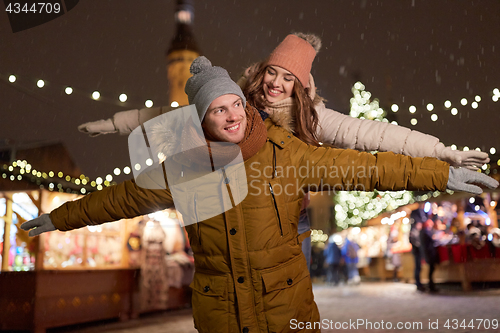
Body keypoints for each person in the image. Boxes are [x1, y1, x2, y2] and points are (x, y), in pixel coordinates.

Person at [24, 56, 498, 333]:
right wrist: (60, 216)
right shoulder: (183, 167)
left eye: (235, 103)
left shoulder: (285, 151)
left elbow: (365, 165)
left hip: (287, 306)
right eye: (216, 110)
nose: (231, 116)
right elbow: (121, 199)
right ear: (200, 120)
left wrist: (437, 173)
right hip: (221, 310)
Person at [78, 33, 490, 270]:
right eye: (272, 72)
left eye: (288, 78)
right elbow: (175, 117)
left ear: (301, 85)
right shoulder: (236, 101)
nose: (276, 83)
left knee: (281, 282)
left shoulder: (315, 119)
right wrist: (117, 123)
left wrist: (443, 152)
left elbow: (376, 135)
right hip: (230, 202)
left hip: (285, 209)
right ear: (263, 71)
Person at [409, 206, 427, 292]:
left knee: (418, 267)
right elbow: (416, 242)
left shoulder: (414, 231)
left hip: (416, 251)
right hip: (417, 252)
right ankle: (418, 284)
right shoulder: (414, 232)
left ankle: (419, 283)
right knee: (418, 267)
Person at [420, 218, 440, 292]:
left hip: (427, 253)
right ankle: (431, 286)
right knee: (431, 270)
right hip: (429, 253)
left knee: (431, 269)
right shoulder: (425, 232)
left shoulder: (423, 232)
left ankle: (431, 285)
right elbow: (431, 241)